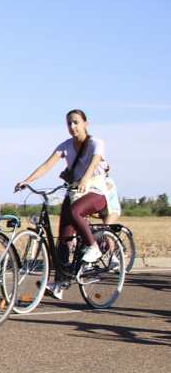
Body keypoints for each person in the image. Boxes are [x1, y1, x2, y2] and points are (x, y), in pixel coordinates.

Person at [15, 109, 109, 300]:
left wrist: (85, 179)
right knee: (63, 239)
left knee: (75, 212)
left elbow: (94, 162)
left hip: (95, 191)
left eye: (76, 122)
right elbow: (47, 165)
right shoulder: (65, 145)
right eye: (69, 123)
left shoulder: (95, 142)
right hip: (75, 191)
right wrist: (27, 180)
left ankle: (93, 247)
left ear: (85, 124)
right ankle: (59, 283)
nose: (72, 127)